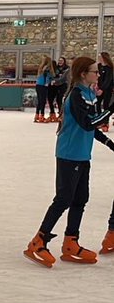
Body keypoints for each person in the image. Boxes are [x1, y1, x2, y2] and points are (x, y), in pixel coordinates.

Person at [25, 55, 114, 267]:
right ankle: (38, 242)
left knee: (80, 199)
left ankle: (71, 242)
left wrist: (110, 143)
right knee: (63, 199)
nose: (98, 74)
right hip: (69, 155)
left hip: (82, 155)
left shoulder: (88, 95)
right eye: (94, 71)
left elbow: (91, 128)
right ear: (84, 74)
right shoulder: (76, 95)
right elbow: (87, 123)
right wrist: (111, 108)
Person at [34, 55, 54, 123]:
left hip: (38, 84)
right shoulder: (47, 69)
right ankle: (41, 115)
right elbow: (48, 76)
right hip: (43, 85)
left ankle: (37, 115)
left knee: (40, 101)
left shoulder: (41, 67)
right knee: (43, 101)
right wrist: (47, 83)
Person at [97, 51, 113, 127]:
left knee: (106, 105)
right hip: (99, 88)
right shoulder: (99, 66)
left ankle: (105, 122)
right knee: (97, 104)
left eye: (100, 57)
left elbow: (108, 80)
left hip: (107, 89)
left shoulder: (109, 68)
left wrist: (102, 89)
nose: (99, 58)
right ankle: (100, 120)